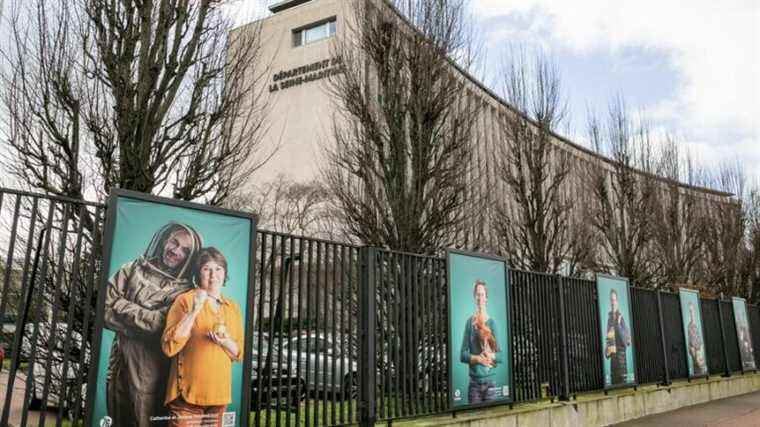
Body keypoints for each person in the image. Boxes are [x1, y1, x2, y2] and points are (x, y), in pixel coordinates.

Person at [104, 223, 203, 427]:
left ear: (190, 257)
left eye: (184, 250)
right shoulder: (131, 269)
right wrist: (140, 321)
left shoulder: (184, 293)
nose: (176, 251)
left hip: (150, 373)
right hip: (117, 365)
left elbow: (159, 326)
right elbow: (103, 311)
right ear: (165, 239)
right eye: (174, 242)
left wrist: (121, 304)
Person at [161, 247, 244, 427]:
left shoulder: (232, 307)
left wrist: (225, 341)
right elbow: (169, 347)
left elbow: (238, 352)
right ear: (198, 273)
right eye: (207, 269)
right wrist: (195, 310)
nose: (213, 275)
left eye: (218, 269)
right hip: (187, 398)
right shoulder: (185, 300)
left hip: (219, 398)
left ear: (225, 273)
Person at [460, 280, 503, 404]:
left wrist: (490, 355)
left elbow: (500, 356)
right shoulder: (470, 322)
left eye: (482, 294)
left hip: (491, 385)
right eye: (477, 294)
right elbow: (462, 355)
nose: (480, 297)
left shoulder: (492, 323)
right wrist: (478, 359)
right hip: (474, 385)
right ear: (474, 297)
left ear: (486, 298)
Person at [605, 289, 631, 385]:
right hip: (613, 364)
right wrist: (606, 350)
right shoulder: (609, 319)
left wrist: (618, 325)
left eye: (614, 300)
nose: (612, 302)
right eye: (611, 300)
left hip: (621, 363)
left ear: (617, 302)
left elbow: (625, 342)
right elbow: (608, 340)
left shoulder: (621, 318)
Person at [686, 301, 706, 375]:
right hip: (697, 367)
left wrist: (691, 310)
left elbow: (693, 320)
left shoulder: (698, 346)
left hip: (699, 367)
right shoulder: (690, 328)